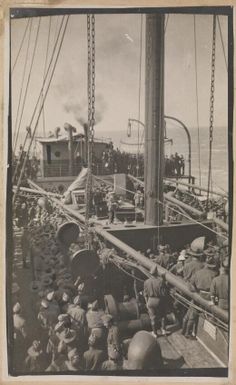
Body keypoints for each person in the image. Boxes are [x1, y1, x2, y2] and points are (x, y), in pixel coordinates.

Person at [143, 265, 169, 337]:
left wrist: (147, 303)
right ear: (157, 273)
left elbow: (145, 294)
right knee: (163, 316)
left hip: (150, 301)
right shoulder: (160, 281)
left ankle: (154, 333)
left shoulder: (146, 282)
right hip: (159, 300)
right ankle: (163, 330)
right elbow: (163, 293)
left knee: (152, 318)